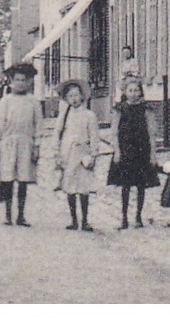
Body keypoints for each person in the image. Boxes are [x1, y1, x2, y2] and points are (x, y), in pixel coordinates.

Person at [0, 62, 42, 227]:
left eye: (23, 80)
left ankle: (21, 215)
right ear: (11, 81)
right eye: (17, 79)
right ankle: (7, 214)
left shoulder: (33, 102)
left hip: (26, 143)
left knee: (23, 179)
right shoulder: (6, 101)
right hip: (8, 143)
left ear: (28, 82)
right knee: (7, 178)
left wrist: (37, 146)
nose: (20, 83)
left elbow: (38, 125)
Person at [107, 75, 161, 229]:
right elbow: (114, 132)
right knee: (125, 185)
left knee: (141, 185)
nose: (134, 93)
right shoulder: (120, 109)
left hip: (142, 150)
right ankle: (124, 217)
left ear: (140, 92)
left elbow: (152, 133)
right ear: (125, 92)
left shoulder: (146, 109)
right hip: (126, 150)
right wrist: (116, 151)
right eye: (130, 90)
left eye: (136, 90)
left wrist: (153, 154)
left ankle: (138, 216)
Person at [53, 79, 100, 232]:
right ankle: (74, 220)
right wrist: (57, 153)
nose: (74, 99)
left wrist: (94, 154)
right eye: (70, 96)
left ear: (82, 97)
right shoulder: (65, 115)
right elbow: (57, 133)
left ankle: (85, 220)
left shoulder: (89, 115)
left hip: (83, 154)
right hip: (68, 153)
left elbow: (94, 136)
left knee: (84, 186)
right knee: (70, 186)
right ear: (66, 99)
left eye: (76, 95)